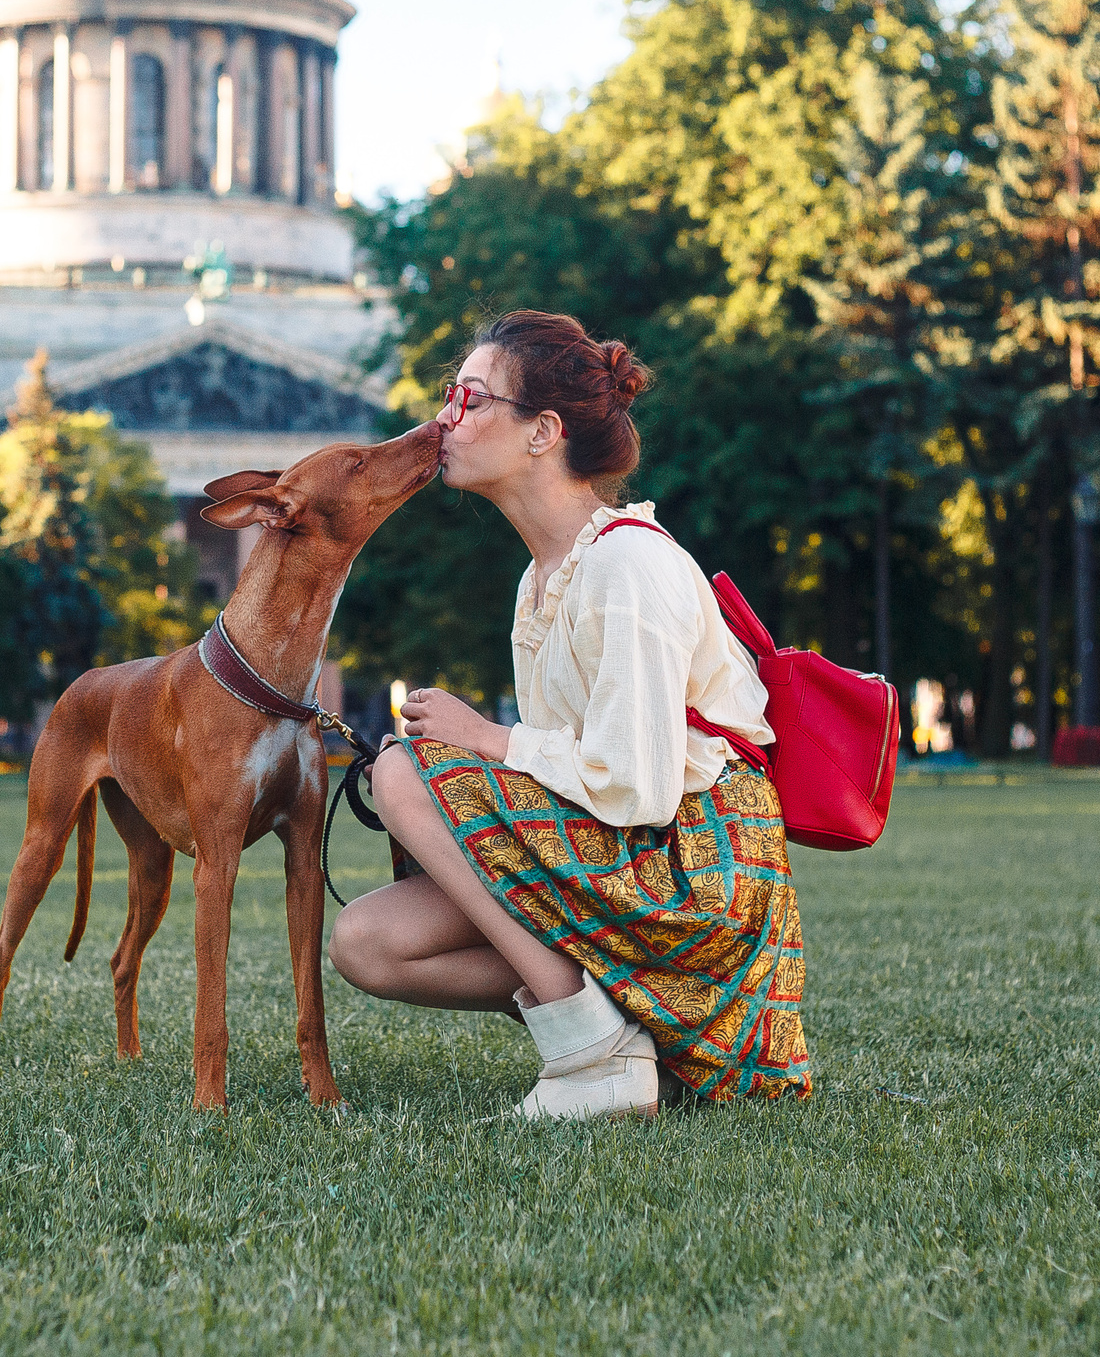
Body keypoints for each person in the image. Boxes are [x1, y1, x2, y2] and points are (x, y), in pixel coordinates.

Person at [328, 310, 811, 1119]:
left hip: (699, 873)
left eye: (471, 398)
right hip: (632, 852)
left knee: (403, 775)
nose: (446, 417)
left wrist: (484, 740)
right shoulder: (541, 579)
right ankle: (632, 1025)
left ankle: (595, 1053)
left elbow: (641, 787)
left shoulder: (626, 562)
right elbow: (581, 777)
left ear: (541, 432)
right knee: (365, 943)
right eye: (454, 394)